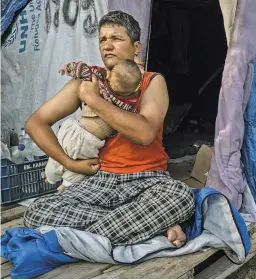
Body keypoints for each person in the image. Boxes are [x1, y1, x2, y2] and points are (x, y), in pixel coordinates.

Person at [23, 11, 195, 247]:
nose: (108, 45)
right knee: (37, 212)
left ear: (136, 47)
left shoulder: (152, 81)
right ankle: (150, 226)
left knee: (181, 197)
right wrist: (69, 163)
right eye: (103, 39)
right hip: (101, 180)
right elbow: (35, 123)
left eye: (116, 38)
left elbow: (145, 134)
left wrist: (94, 101)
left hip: (148, 180)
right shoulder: (89, 81)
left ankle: (90, 237)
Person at [45, 59, 142, 191]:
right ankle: (65, 186)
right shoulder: (128, 102)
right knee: (78, 171)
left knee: (56, 160)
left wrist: (68, 68)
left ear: (109, 74)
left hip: (71, 129)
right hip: (88, 142)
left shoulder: (100, 80)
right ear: (136, 88)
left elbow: (83, 69)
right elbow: (132, 121)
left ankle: (50, 177)